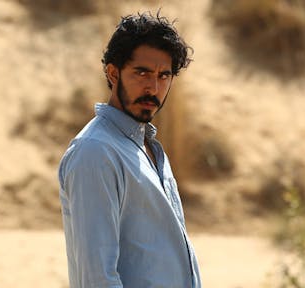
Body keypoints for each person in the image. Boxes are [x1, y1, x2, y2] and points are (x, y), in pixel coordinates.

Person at [58, 11, 201, 288]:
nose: (153, 87)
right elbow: (98, 277)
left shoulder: (147, 147)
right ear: (113, 73)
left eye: (164, 75)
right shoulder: (96, 152)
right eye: (142, 72)